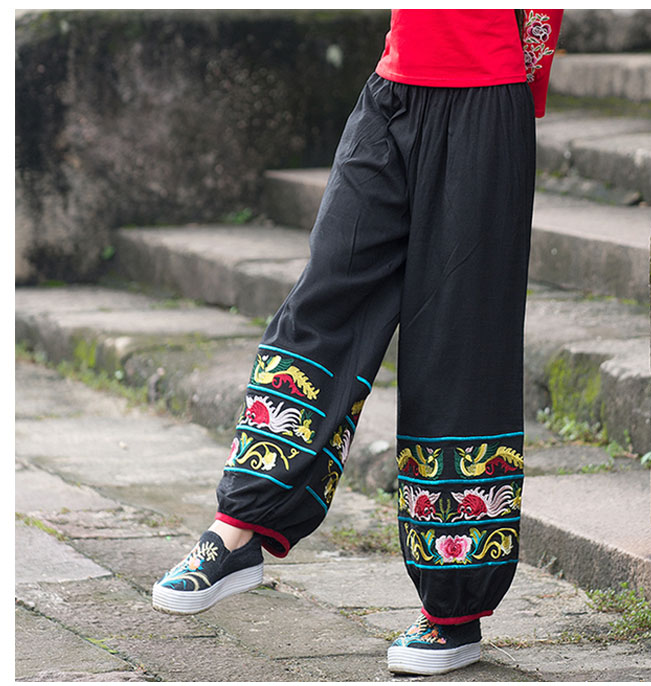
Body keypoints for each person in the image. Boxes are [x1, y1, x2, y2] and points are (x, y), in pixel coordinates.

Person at [152, 8, 563, 676]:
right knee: (325, 295)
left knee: (458, 345)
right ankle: (241, 525)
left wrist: (518, 95)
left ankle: (453, 612)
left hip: (485, 98)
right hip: (393, 87)